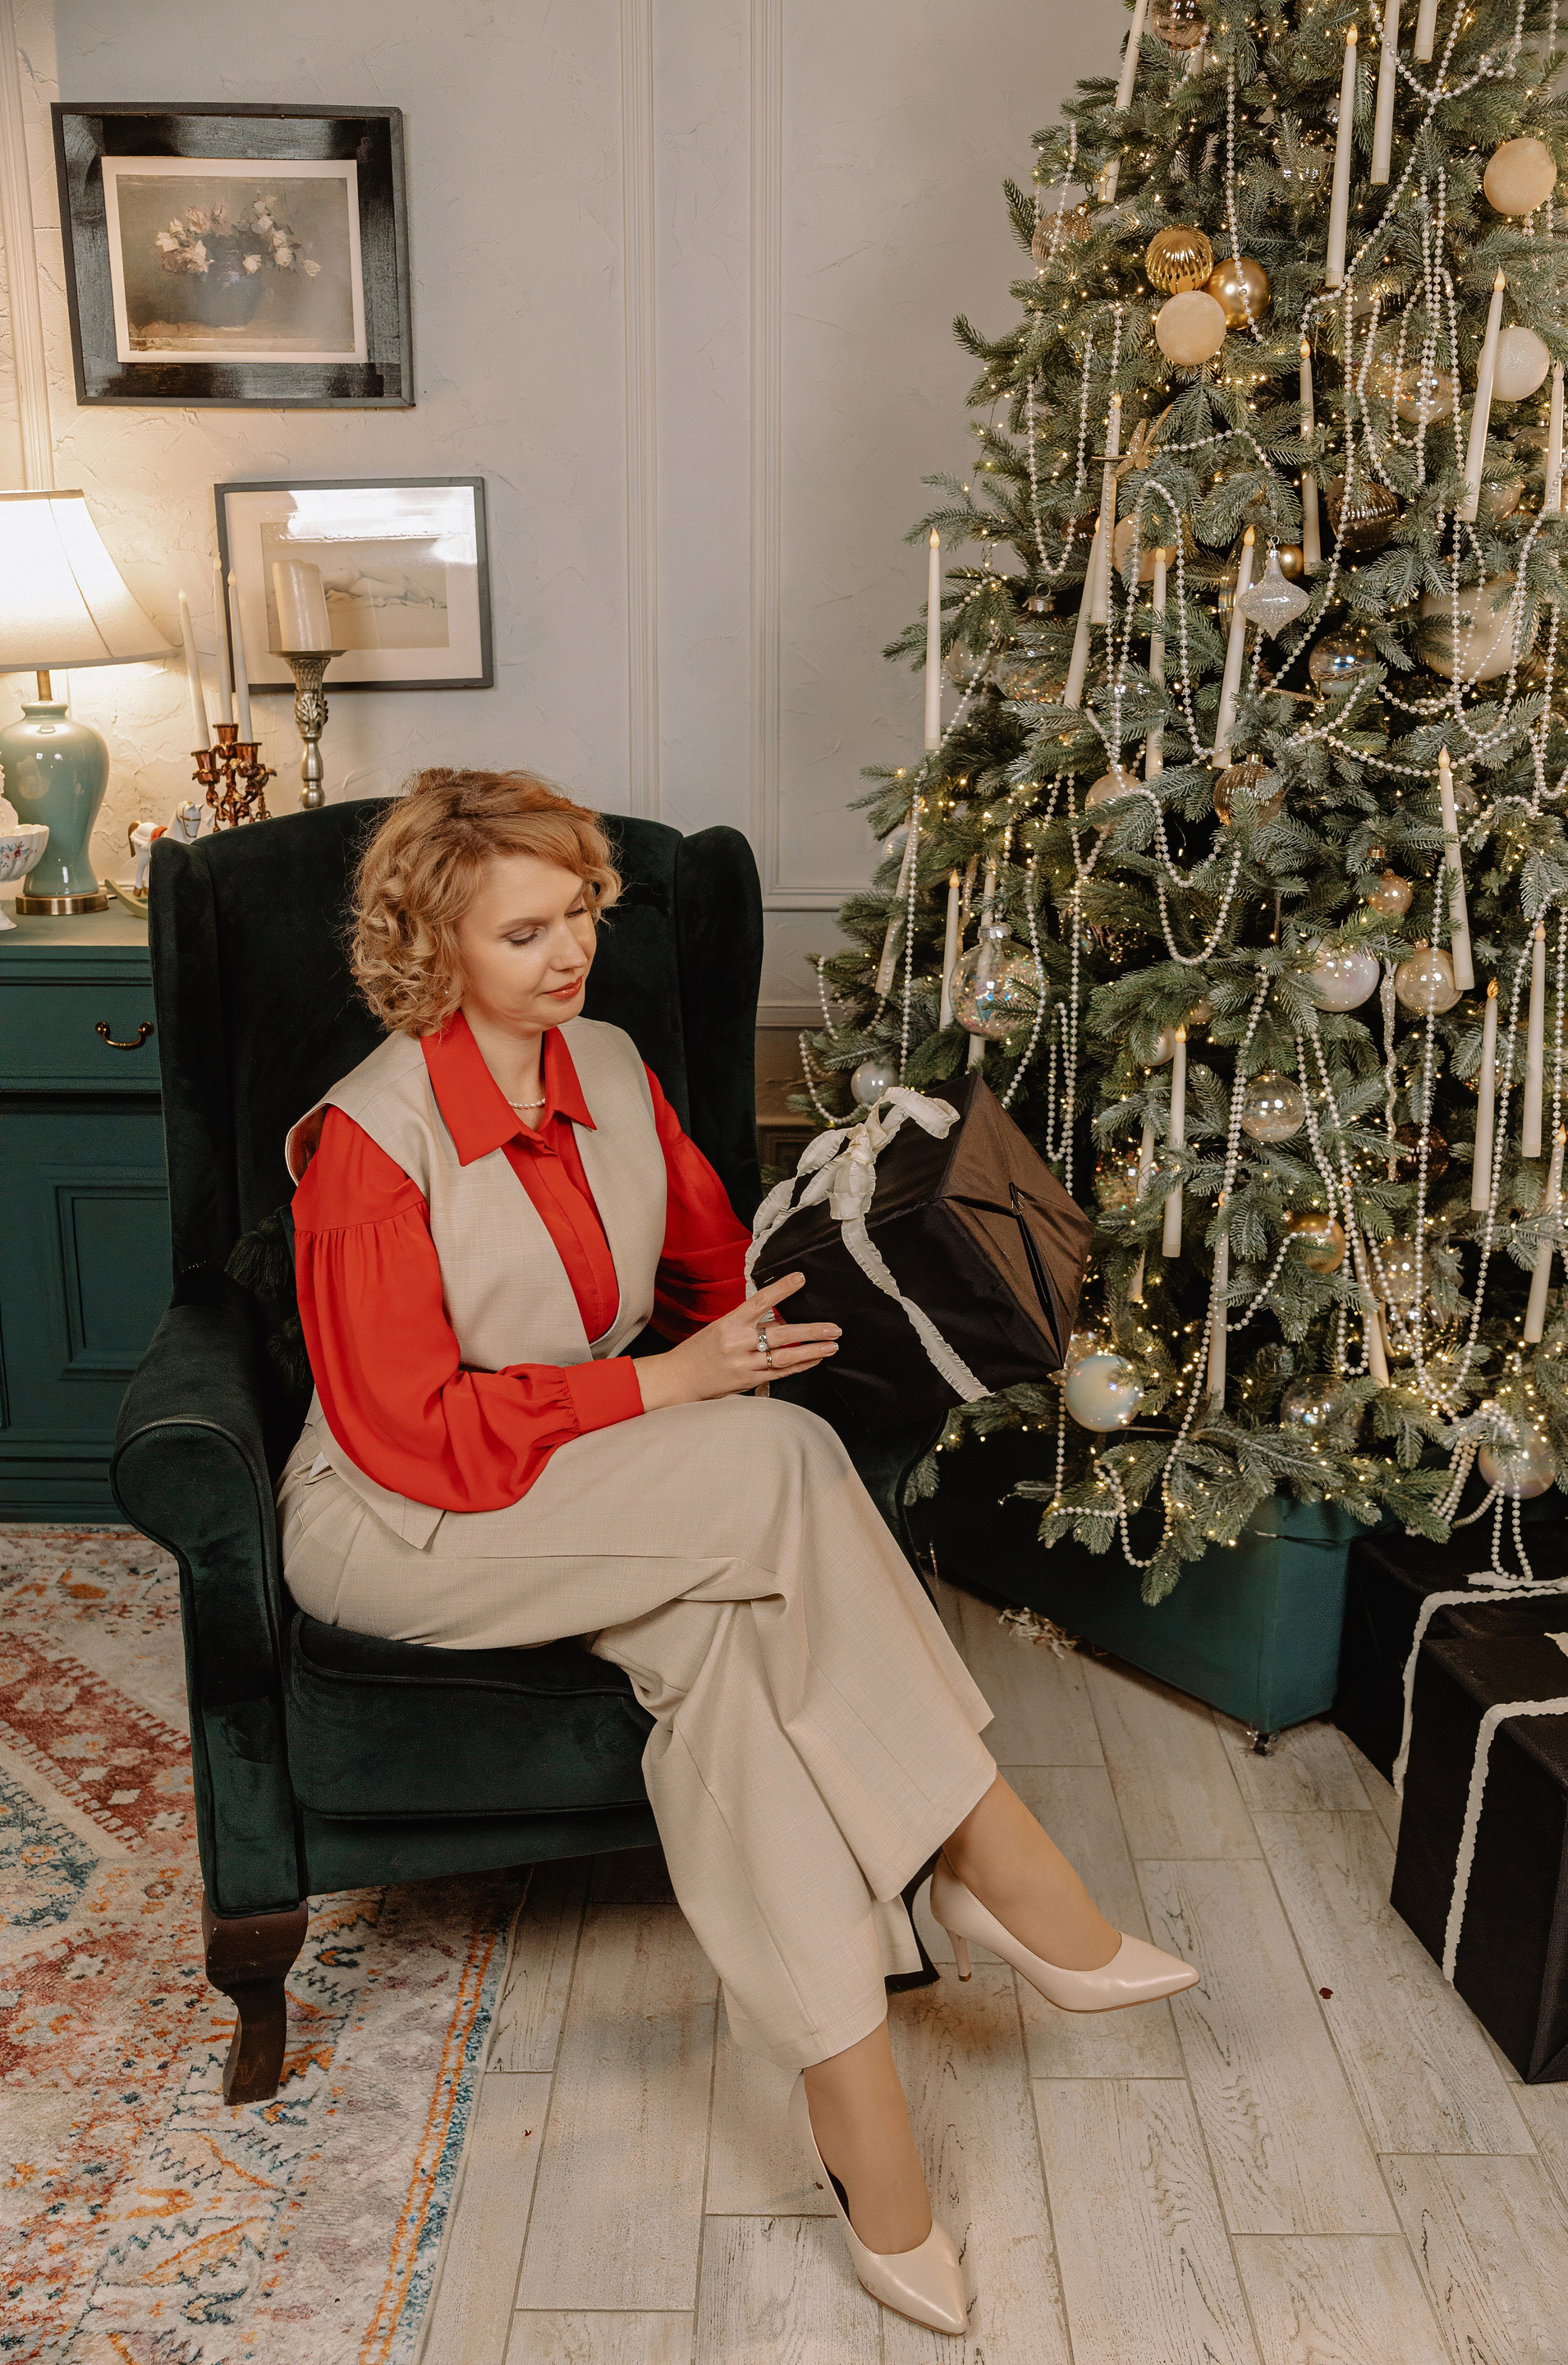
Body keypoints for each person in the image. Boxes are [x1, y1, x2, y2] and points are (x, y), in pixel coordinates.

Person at [277, 767, 1197, 2337]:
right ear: (435, 949)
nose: (570, 953)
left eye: (578, 913)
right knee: (775, 1467)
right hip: (400, 1516)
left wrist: (809, 1311)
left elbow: (712, 1275)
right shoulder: (370, 1144)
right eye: (521, 933)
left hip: (572, 1473)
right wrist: (670, 1393)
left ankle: (863, 2129)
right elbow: (412, 1433)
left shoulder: (611, 1065)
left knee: (738, 1655)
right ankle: (989, 1857)